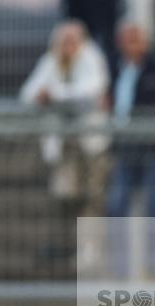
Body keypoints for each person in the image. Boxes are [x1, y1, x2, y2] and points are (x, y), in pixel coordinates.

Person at [104, 22, 155, 277]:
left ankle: (154, 264)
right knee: (117, 203)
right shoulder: (114, 66)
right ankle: (120, 267)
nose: (133, 44)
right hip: (124, 146)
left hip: (152, 147)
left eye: (137, 39)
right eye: (128, 39)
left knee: (154, 206)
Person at [20, 20, 111, 220]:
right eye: (64, 41)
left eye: (72, 41)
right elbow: (28, 93)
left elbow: (91, 91)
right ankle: (68, 245)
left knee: (92, 198)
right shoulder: (50, 61)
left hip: (90, 145)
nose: (67, 46)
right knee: (65, 195)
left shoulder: (91, 57)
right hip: (63, 146)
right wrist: (41, 96)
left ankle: (90, 249)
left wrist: (53, 95)